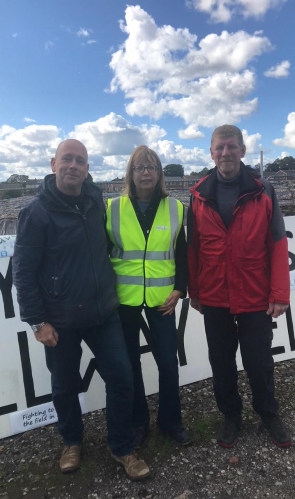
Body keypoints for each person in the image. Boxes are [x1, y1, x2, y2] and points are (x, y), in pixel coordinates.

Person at [12, 139, 150, 480]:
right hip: (60, 320)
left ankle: (121, 447)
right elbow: (23, 273)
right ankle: (71, 441)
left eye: (81, 161)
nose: (73, 165)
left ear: (87, 168)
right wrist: (36, 321)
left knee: (121, 379)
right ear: (53, 163)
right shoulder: (36, 212)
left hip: (104, 313)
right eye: (67, 159)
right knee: (65, 386)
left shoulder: (95, 201)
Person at [187, 125, 292, 448]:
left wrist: (280, 294)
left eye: (232, 147)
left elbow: (277, 244)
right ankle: (230, 415)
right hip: (214, 293)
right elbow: (193, 248)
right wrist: (195, 291)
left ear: (243, 151)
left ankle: (268, 413)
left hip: (254, 293)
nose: (225, 153)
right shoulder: (198, 194)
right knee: (221, 361)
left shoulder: (263, 190)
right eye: (219, 148)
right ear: (211, 153)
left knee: (259, 361)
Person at [106, 145, 191, 448]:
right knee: (130, 365)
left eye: (152, 167)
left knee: (168, 363)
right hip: (123, 301)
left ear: (159, 174)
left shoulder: (176, 208)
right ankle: (138, 422)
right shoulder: (113, 208)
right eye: (139, 167)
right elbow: (103, 255)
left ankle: (171, 422)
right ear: (130, 173)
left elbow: (183, 254)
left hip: (163, 299)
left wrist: (180, 288)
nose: (146, 173)